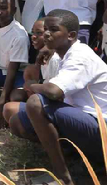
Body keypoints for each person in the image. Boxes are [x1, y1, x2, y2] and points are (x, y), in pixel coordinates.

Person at [10, 10, 107, 185]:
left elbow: (54, 91)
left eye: (53, 30)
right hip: (84, 121)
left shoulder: (80, 56)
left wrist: (32, 85)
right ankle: (76, 160)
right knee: (17, 121)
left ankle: (64, 176)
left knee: (35, 103)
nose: (46, 34)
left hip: (101, 129)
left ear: (71, 35)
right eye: (45, 29)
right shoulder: (64, 53)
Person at [2, 19, 60, 125]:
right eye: (33, 32)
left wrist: (32, 86)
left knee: (10, 109)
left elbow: (56, 94)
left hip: (54, 107)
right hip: (41, 103)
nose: (33, 36)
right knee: (15, 99)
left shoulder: (55, 59)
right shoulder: (40, 58)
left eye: (39, 33)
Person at [0, 0, 30, 128]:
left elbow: (13, 70)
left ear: (14, 10)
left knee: (17, 97)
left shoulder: (19, 35)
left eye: (3, 8)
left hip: (14, 74)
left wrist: (1, 102)